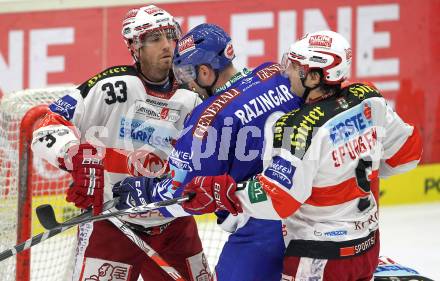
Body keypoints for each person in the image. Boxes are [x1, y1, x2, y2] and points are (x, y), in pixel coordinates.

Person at [180, 30, 423, 280]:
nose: (288, 73)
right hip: (367, 247)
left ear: (314, 76)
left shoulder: (297, 127)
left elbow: (278, 199)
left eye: (295, 67)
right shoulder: (368, 96)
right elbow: (407, 156)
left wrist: (225, 191)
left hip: (320, 256)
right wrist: (348, 164)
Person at [31, 5, 210, 281]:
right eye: (155, 39)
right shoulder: (111, 86)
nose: (167, 46)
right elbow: (47, 126)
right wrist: (74, 154)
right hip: (111, 223)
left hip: (173, 226)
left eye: (170, 36)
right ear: (135, 46)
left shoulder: (192, 95)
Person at [112, 23, 304, 281]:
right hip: (311, 215)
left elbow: (185, 192)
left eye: (188, 73)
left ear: (205, 71)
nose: (187, 83)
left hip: (261, 230)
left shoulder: (207, 118)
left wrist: (144, 193)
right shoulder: (276, 73)